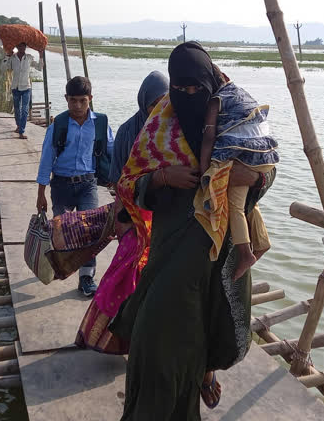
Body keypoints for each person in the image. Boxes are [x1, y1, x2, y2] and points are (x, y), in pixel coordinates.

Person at [110, 42, 276, 419]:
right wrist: (163, 177)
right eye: (179, 90)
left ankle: (204, 374)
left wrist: (246, 176)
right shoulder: (160, 126)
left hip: (218, 264)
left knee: (198, 347)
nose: (187, 97)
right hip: (170, 257)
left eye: (195, 90)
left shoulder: (235, 119)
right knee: (155, 349)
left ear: (210, 84)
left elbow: (264, 168)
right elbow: (127, 185)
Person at [76, 71, 169, 353]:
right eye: (155, 103)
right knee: (121, 282)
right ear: (144, 103)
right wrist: (123, 220)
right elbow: (118, 180)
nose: (160, 109)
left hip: (164, 221)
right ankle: (103, 337)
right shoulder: (129, 131)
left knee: (157, 286)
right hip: (134, 217)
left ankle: (146, 340)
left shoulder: (172, 129)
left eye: (165, 102)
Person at [36, 76, 114, 296]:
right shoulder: (57, 125)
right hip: (60, 184)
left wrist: (119, 178)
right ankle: (58, 265)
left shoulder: (101, 123)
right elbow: (46, 159)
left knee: (89, 232)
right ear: (66, 99)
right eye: (73, 100)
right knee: (60, 231)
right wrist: (41, 193)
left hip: (87, 183)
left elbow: (111, 150)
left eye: (82, 100)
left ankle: (86, 277)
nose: (78, 106)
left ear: (90, 99)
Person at [197, 71, 279, 281]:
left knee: (234, 207)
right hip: (263, 155)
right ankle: (261, 242)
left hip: (241, 155)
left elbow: (208, 137)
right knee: (246, 205)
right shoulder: (241, 93)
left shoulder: (217, 99)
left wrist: (205, 171)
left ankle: (245, 254)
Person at [0, 42, 33, 139]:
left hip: (26, 87)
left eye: (24, 46)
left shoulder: (29, 58)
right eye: (20, 46)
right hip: (15, 87)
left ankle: (21, 131)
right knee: (17, 109)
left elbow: (39, 67)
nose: (22, 48)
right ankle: (18, 126)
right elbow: (3, 68)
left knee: (25, 110)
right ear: (17, 47)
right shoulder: (12, 58)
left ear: (25, 47)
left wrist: (41, 56)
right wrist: (7, 56)